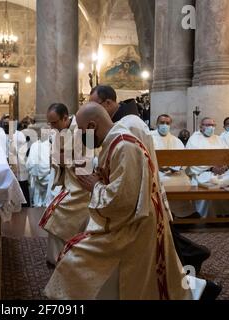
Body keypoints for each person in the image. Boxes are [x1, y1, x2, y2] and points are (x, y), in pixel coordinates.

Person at [45, 103, 211, 300]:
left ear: (91, 126)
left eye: (81, 131)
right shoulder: (114, 139)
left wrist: (95, 186)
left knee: (74, 262)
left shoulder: (123, 145)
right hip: (129, 219)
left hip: (133, 225)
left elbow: (122, 201)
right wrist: (99, 178)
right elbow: (120, 184)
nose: (81, 136)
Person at [90, 86, 210, 274]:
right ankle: (193, 256)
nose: (94, 111)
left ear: (108, 103)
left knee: (157, 236)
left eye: (95, 105)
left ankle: (190, 264)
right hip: (137, 183)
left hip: (140, 185)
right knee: (159, 236)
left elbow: (132, 159)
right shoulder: (123, 121)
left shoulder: (130, 124)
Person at [39, 103, 91, 265]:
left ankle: (65, 259)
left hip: (83, 186)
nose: (52, 127)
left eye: (54, 122)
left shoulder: (83, 129)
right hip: (69, 183)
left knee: (58, 215)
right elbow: (54, 157)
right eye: (50, 123)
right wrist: (60, 160)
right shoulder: (57, 132)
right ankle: (57, 258)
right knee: (56, 216)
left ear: (65, 118)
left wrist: (65, 159)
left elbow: (89, 162)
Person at [186, 117, 229, 218]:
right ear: (201, 127)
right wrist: (211, 168)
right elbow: (193, 160)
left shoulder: (218, 138)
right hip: (203, 172)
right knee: (211, 182)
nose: (210, 127)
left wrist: (225, 166)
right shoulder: (194, 139)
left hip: (221, 171)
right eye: (207, 125)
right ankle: (210, 215)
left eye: (212, 125)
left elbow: (228, 155)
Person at [151, 115, 194, 218]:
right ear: (156, 124)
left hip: (174, 173)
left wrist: (177, 168)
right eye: (162, 123)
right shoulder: (149, 138)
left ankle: (182, 213)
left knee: (185, 182)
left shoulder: (176, 140)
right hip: (157, 172)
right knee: (162, 182)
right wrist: (159, 167)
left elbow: (183, 159)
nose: (164, 125)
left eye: (167, 123)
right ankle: (163, 214)